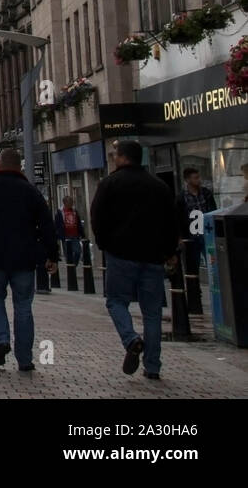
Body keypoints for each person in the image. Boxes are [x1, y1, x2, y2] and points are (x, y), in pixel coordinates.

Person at [90, 140, 180, 380]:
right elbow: (171, 223)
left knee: (116, 301)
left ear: (122, 157)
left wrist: (104, 243)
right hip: (152, 257)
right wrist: (170, 251)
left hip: (120, 255)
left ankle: (131, 339)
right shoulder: (159, 186)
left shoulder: (109, 184)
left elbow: (97, 218)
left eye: (115, 155)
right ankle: (152, 366)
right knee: (152, 313)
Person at [0, 149, 58, 372]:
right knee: (23, 306)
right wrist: (52, 255)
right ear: (20, 166)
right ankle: (25, 359)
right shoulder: (31, 192)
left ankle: (2, 340)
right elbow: (47, 225)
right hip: (24, 259)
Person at [177, 167, 216, 315]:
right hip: (191, 237)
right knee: (192, 270)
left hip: (207, 234)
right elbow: (179, 218)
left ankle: (216, 295)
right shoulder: (181, 197)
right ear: (187, 180)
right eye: (195, 178)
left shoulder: (206, 193)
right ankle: (194, 302)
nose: (198, 180)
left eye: (198, 177)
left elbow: (213, 210)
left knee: (213, 265)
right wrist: (180, 237)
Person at [55, 194, 87, 267]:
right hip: (65, 236)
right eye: (70, 202)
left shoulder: (75, 211)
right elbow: (57, 224)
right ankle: (70, 268)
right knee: (68, 254)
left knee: (78, 252)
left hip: (75, 235)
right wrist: (57, 234)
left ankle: (73, 265)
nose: (71, 204)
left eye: (72, 202)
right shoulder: (60, 212)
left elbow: (78, 223)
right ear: (65, 203)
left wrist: (82, 234)